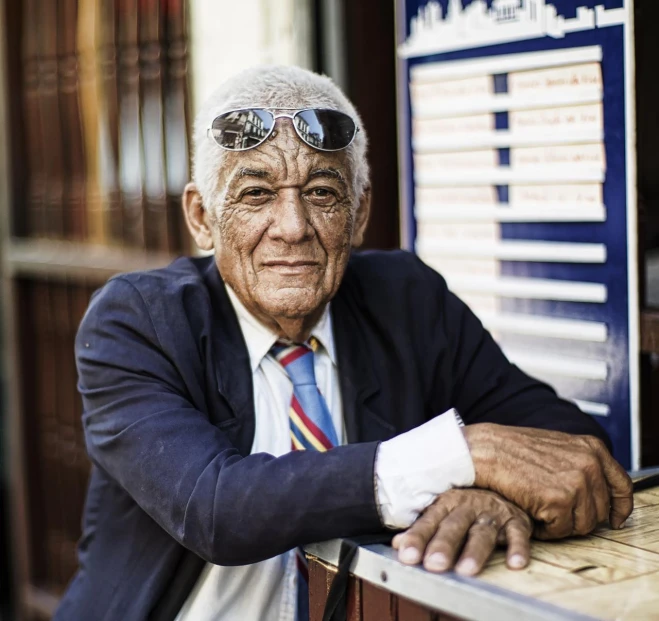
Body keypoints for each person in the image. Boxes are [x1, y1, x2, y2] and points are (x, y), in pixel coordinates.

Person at [54, 66, 633, 621]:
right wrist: (462, 457)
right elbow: (216, 508)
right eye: (256, 194)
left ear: (359, 216)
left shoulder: (407, 299)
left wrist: (501, 497)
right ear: (203, 218)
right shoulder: (136, 322)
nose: (293, 226)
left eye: (323, 193)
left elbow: (570, 448)